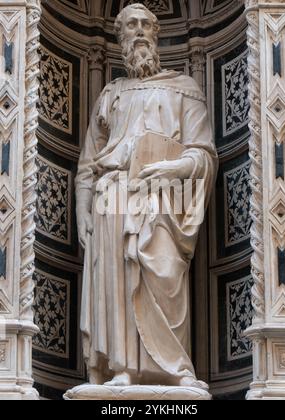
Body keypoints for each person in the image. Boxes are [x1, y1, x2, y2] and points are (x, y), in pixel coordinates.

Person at [75, 3, 218, 389]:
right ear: (119, 37)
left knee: (163, 274)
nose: (139, 32)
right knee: (118, 285)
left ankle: (174, 368)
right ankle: (121, 367)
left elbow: (202, 151)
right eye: (130, 26)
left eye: (145, 25)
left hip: (164, 199)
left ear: (156, 34)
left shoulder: (184, 88)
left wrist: (174, 168)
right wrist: (82, 211)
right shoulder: (110, 94)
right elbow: (89, 164)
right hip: (113, 198)